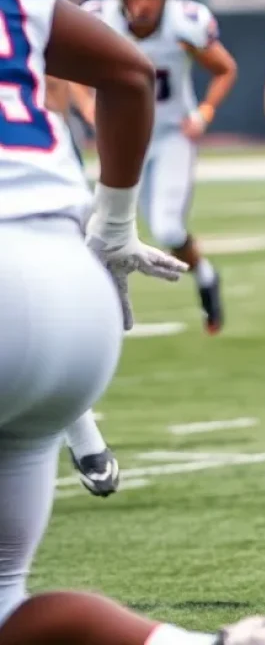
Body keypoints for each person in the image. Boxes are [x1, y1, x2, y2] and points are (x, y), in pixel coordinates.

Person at [0, 0, 265, 645]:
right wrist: (112, 228)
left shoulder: (184, 23)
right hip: (73, 293)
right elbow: (127, 73)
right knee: (4, 599)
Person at [83, 0, 237, 333]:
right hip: (121, 136)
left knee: (167, 229)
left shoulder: (185, 24)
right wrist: (87, 108)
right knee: (102, 225)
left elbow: (225, 69)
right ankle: (98, 312)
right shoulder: (98, 21)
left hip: (170, 135)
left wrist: (204, 112)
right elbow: (65, 72)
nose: (143, 3)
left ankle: (205, 276)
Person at [44, 75, 119, 496]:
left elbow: (126, 75)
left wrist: (120, 217)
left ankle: (82, 430)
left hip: (33, 159)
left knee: (48, 306)